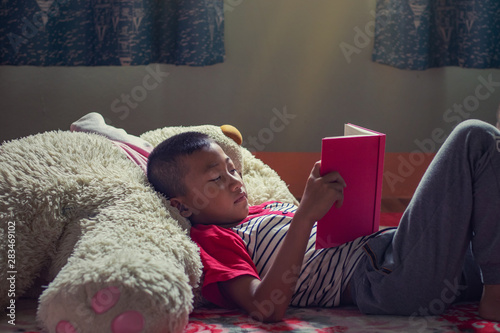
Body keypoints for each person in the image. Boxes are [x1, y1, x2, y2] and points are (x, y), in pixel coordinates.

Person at [147, 119, 500, 323]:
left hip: (403, 251)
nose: (236, 181)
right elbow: (264, 307)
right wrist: (304, 215)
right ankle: (495, 295)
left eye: (232, 169)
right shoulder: (213, 238)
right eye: (216, 179)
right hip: (384, 280)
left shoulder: (265, 208)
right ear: (182, 206)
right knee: (475, 137)